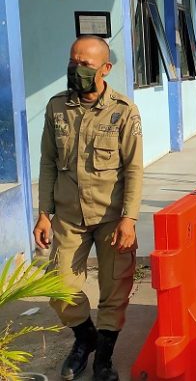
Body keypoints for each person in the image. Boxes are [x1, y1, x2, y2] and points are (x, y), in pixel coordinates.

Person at [33, 36, 143, 381]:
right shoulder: (56, 107)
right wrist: (43, 213)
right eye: (73, 61)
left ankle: (103, 359)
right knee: (58, 284)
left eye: (85, 64)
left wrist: (130, 218)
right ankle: (86, 338)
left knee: (114, 290)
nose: (76, 69)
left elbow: (133, 168)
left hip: (111, 217)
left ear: (105, 68)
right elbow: (48, 162)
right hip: (69, 216)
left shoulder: (123, 111)